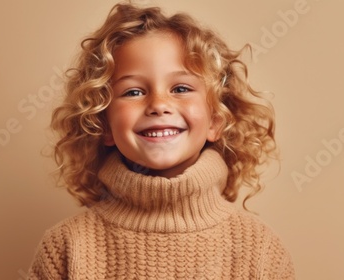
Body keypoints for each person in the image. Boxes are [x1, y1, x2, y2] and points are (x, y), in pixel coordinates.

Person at [28, 2, 295, 279]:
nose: (158, 104)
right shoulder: (66, 246)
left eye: (180, 88)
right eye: (133, 92)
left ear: (216, 120)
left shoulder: (260, 249)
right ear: (103, 124)